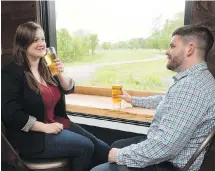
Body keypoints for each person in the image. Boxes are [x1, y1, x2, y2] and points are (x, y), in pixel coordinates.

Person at [91, 24, 215, 171]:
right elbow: (167, 100)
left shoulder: (191, 87)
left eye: (172, 46)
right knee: (116, 145)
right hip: (167, 153)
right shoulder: (198, 79)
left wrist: (120, 156)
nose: (167, 51)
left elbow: (165, 146)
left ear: (190, 49)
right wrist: (133, 100)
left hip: (168, 165)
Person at [2, 21, 110, 171]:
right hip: (33, 137)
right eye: (35, 40)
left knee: (104, 148)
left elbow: (69, 89)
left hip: (58, 123)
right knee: (86, 146)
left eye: (43, 39)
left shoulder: (46, 66)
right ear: (23, 43)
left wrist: (60, 74)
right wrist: (44, 127)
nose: (41, 44)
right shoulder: (11, 72)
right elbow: (10, 113)